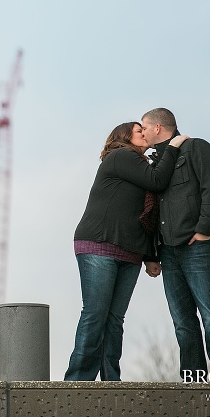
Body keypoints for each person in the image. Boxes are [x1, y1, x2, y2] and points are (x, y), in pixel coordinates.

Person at [64, 122, 189, 381]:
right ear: (124, 137)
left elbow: (147, 216)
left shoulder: (141, 165)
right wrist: (173, 147)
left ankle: (111, 381)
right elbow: (157, 180)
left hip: (130, 252)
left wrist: (151, 257)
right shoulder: (121, 156)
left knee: (114, 319)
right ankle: (77, 382)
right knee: (95, 314)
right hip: (100, 245)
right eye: (138, 130)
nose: (144, 133)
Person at [141, 107, 210, 382]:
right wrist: (154, 253)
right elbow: (153, 211)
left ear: (157, 127)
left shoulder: (196, 148)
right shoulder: (155, 165)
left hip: (200, 246)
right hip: (168, 251)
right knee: (182, 321)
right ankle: (193, 381)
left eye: (144, 127)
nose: (142, 132)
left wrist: (204, 230)